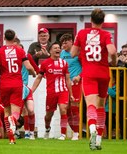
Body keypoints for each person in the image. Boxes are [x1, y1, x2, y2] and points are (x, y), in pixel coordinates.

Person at [71, 8, 117, 150]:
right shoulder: (106, 34)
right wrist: (113, 61)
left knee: (90, 104)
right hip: (104, 73)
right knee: (101, 106)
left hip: (89, 73)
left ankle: (91, 129)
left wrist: (81, 49)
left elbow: (73, 53)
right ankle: (98, 140)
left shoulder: (82, 33)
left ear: (90, 20)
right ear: (103, 21)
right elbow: (112, 51)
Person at [0, 29, 36, 144]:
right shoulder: (20, 51)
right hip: (16, 84)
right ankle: (13, 123)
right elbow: (28, 67)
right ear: (15, 37)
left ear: (4, 37)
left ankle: (11, 139)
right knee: (15, 112)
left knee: (6, 111)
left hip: (4, 84)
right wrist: (33, 73)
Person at [32, 42, 74, 141]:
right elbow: (39, 78)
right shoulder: (45, 63)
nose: (57, 49)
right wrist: (32, 90)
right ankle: (47, 128)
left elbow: (68, 79)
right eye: (55, 48)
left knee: (63, 109)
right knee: (48, 116)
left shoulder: (64, 63)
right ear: (50, 51)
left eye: (58, 48)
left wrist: (71, 94)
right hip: (51, 92)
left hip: (63, 91)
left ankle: (63, 135)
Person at [13, 37, 39, 140]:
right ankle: (16, 131)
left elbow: (36, 69)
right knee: (18, 111)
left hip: (24, 87)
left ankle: (30, 132)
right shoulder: (9, 57)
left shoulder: (26, 56)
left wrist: (35, 73)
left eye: (16, 46)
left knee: (30, 110)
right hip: (16, 87)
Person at [60, 33, 82, 140]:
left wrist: (79, 76)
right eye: (62, 43)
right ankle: (74, 130)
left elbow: (86, 66)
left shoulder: (78, 52)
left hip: (76, 83)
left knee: (74, 107)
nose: (63, 45)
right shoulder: (61, 54)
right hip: (64, 83)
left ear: (72, 42)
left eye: (66, 42)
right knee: (65, 108)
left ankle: (76, 133)